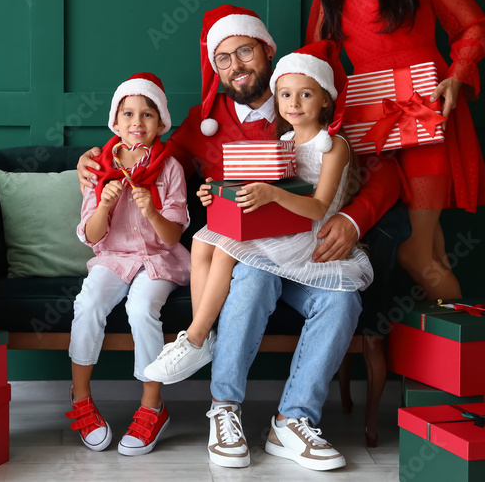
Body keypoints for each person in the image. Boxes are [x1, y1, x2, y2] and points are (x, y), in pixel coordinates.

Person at [77, 5, 403, 470]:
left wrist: (352, 220)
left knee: (343, 303)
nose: (237, 66)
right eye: (224, 59)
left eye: (245, 51)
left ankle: (292, 420)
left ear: (266, 51)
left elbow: (386, 172)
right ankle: (224, 409)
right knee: (247, 276)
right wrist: (92, 164)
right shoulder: (199, 126)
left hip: (315, 253)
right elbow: (145, 153)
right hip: (252, 255)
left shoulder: (303, 98)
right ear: (215, 68)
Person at [307, 0, 485, 301]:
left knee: (419, 252)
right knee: (428, 250)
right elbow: (317, 55)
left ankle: (467, 363)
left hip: (426, 111)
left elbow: (472, 25)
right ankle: (450, 363)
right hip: (369, 122)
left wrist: (456, 76)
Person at [143, 41, 374, 391]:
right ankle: (198, 338)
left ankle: (196, 337)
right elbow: (254, 184)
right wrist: (216, 192)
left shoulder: (333, 145)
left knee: (226, 250)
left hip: (310, 233)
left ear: (325, 98)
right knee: (204, 242)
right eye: (284, 95)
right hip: (283, 225)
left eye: (305, 95)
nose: (293, 104)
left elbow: (317, 207)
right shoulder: (284, 139)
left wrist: (272, 194)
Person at [66, 73, 191, 456]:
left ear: (161, 123)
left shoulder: (169, 168)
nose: (137, 123)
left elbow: (172, 236)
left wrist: (151, 211)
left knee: (141, 308)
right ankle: (81, 398)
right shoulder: (99, 168)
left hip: (158, 259)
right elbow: (90, 234)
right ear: (116, 123)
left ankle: (152, 405)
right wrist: (104, 203)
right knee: (87, 304)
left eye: (148, 115)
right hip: (113, 258)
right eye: (129, 114)